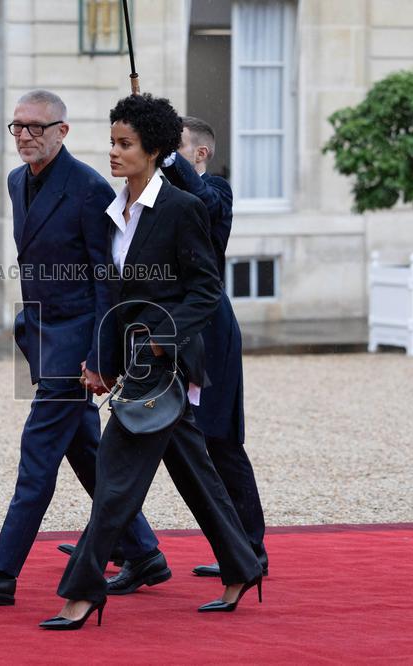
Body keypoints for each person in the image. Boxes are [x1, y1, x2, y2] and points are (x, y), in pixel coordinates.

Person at [41, 94, 262, 630]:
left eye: (125, 144)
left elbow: (207, 290)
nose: (113, 153)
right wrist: (103, 360)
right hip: (136, 364)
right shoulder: (114, 214)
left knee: (115, 478)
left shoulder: (184, 209)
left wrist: (162, 342)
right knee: (196, 474)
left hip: (166, 365)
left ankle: (83, 590)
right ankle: (242, 565)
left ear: (155, 150)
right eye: (112, 142)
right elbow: (116, 298)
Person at [0, 90, 165, 607]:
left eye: (36, 127)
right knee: (86, 454)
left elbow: (104, 282)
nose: (24, 136)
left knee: (38, 455)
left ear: (62, 132)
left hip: (76, 346)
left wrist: (100, 355)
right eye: (17, 127)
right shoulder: (17, 181)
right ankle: (144, 551)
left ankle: (1, 571)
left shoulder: (89, 189)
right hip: (42, 336)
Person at [161, 117, 268, 578]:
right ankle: (126, 545)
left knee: (219, 442)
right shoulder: (160, 193)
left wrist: (166, 156)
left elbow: (204, 207)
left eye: (177, 146)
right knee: (151, 436)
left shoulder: (216, 191)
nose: (168, 153)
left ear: (199, 154)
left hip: (210, 329)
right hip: (167, 326)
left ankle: (249, 550)